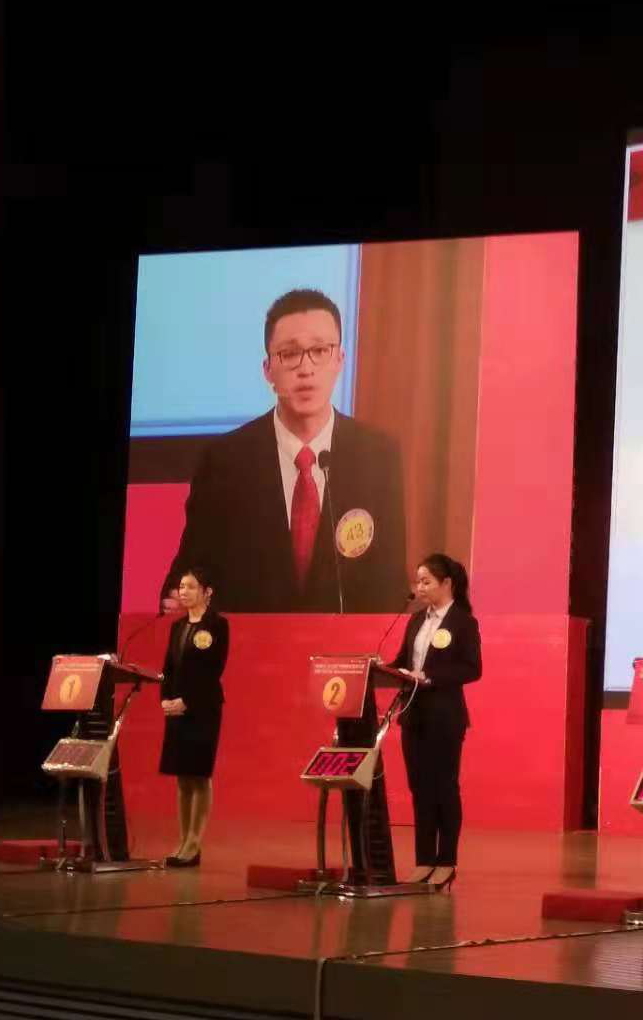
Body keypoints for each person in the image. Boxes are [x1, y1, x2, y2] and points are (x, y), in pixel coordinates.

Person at [160, 288, 407, 613]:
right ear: (267, 370)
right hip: (249, 643)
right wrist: (182, 601)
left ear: (340, 360)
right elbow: (189, 575)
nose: (306, 368)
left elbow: (389, 584)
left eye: (320, 350)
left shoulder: (377, 456)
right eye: (289, 354)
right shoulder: (224, 461)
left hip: (344, 644)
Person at [394, 553, 482, 888]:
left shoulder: (463, 622)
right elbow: (402, 661)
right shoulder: (416, 620)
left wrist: (430, 677)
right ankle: (423, 861)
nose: (419, 588)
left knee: (444, 787)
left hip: (444, 718)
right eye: (417, 581)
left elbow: (472, 669)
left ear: (447, 583)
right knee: (419, 788)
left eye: (426, 581)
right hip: (413, 715)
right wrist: (380, 667)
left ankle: (446, 861)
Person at [159, 566, 229, 867]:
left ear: (206, 592)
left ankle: (194, 842)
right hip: (176, 709)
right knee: (182, 778)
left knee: (199, 776)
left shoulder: (218, 625)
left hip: (203, 709)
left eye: (190, 586)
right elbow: (169, 668)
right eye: (181, 587)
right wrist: (165, 699)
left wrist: (187, 702)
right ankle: (182, 840)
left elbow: (214, 670)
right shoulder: (178, 627)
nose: (183, 591)